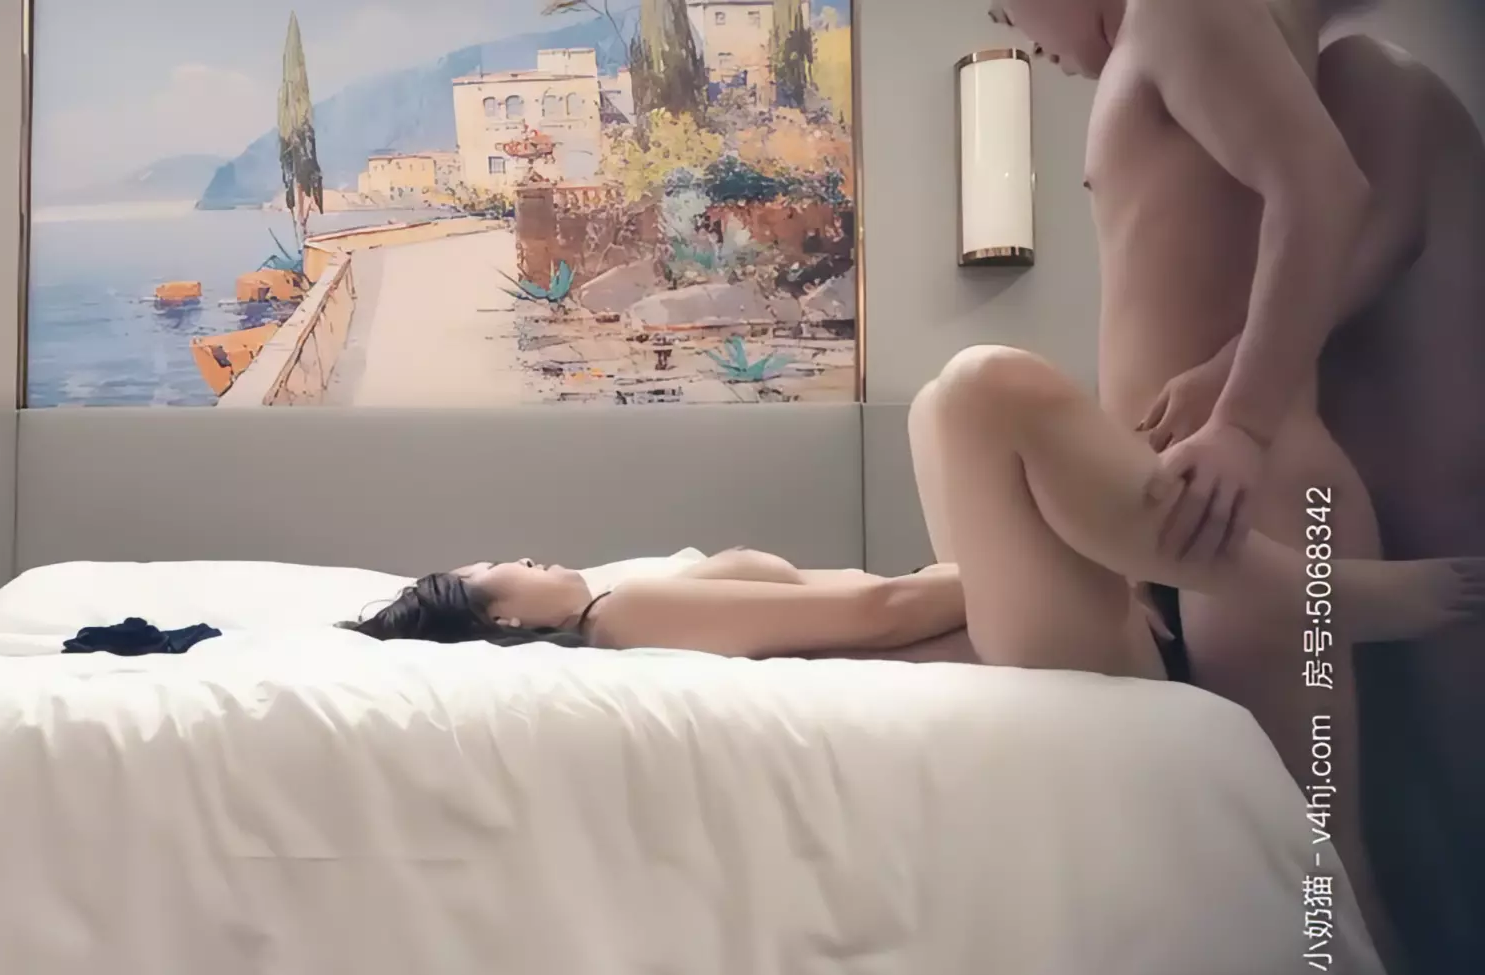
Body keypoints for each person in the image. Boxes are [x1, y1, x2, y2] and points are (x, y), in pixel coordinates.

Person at [981, 0, 1403, 974]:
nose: (1012, 27)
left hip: (1266, 497)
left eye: (1004, 4)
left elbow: (1324, 190)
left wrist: (1243, 425)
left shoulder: (1179, 9)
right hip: (1203, 516)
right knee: (1266, 874)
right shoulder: (1152, 40)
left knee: (1317, 869)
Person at [348, 348, 1484, 680]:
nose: (522, 554)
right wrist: (1069, 552)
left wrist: (1066, 542)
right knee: (983, 389)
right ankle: (1327, 597)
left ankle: (1277, 585)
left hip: (993, 631)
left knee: (946, 403)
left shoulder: (627, 603)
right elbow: (880, 614)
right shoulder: (620, 613)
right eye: (496, 568)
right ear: (503, 621)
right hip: (1001, 648)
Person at [1143, 33, 1485, 975]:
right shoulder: (1277, 95)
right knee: (1364, 843)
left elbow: (1364, 228)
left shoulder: (1364, 80)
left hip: (1375, 512)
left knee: (1366, 848)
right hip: (1347, 506)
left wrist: (1226, 388)